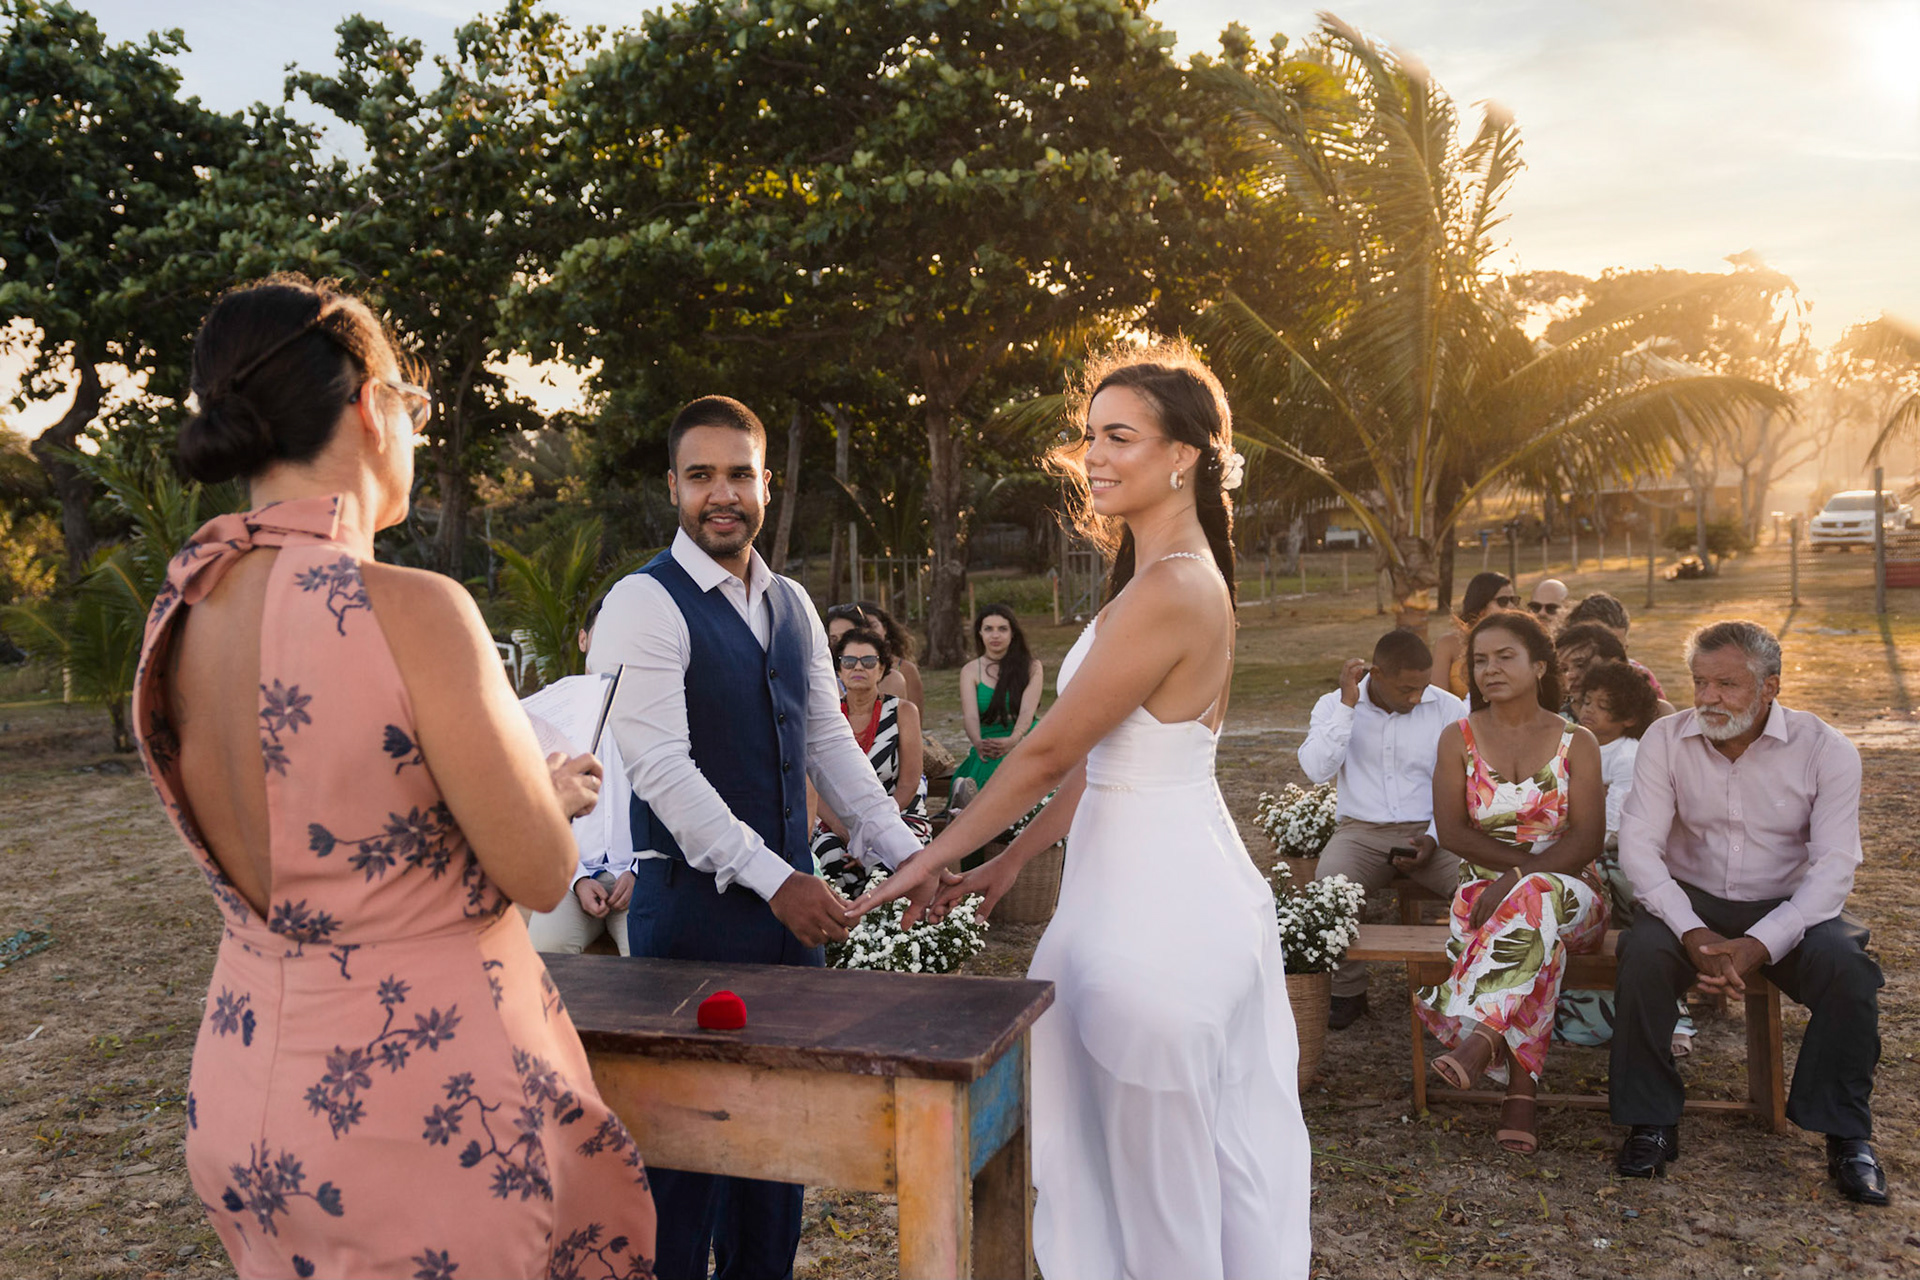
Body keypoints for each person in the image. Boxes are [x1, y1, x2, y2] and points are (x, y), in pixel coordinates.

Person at [131, 275, 655, 1278]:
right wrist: (548, 796)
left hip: (248, 1083)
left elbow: (318, 819)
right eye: (413, 402)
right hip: (416, 1109)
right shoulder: (413, 609)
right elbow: (542, 869)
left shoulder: (183, 609)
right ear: (373, 407)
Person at [854, 341, 1311, 1279]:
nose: (1092, 455)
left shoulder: (1174, 585)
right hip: (1131, 887)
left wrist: (928, 858)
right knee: (1123, 1161)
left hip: (1158, 913)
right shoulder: (1163, 575)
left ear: (1183, 455)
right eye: (1090, 435)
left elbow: (1049, 751)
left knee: (1156, 1176)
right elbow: (1109, 761)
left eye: (1119, 436)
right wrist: (1013, 860)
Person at [587, 395, 925, 1280]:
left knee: (778, 1168)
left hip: (789, 930)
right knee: (683, 1175)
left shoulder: (792, 603)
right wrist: (777, 879)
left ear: (766, 483)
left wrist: (908, 855)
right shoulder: (641, 604)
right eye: (701, 476)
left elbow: (826, 743)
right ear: (672, 487)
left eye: (739, 474)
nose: (722, 494)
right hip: (692, 926)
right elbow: (663, 770)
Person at [1610, 621, 1887, 1204]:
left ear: (1770, 687)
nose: (1708, 698)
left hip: (1788, 903)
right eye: (1699, 682)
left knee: (1848, 969)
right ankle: (1650, 1122)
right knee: (1642, 954)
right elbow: (1638, 847)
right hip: (1689, 899)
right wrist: (1690, 929)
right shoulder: (1666, 739)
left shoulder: (1826, 749)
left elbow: (1834, 867)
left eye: (1727, 684)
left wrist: (1762, 942)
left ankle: (1846, 1135)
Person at [1417, 610, 1608, 1156]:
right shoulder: (1457, 739)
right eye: (1479, 660)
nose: (1490, 669)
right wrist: (1513, 876)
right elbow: (1452, 831)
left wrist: (1523, 876)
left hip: (1573, 892)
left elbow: (1588, 838)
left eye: (1505, 657)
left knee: (1537, 899)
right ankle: (1520, 1092)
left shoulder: (1578, 741)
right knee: (1537, 933)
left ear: (1539, 665)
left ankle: (1484, 1039)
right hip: (1485, 898)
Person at [1298, 628, 1467, 1028]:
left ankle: (1468, 987)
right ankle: (1348, 993)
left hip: (1437, 829)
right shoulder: (1333, 705)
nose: (1416, 697)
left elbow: (1464, 782)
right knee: (1329, 891)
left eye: (1422, 687)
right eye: (1407, 688)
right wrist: (1347, 708)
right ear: (1377, 674)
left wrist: (1435, 837)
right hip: (1362, 832)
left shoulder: (1448, 708)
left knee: (1480, 887)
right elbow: (1316, 770)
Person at [1554, 660, 1695, 1052]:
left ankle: (1673, 1016)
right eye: (1586, 701)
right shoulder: (1568, 745)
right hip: (1575, 852)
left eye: (1602, 706)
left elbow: (1614, 826)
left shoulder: (1629, 755)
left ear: (1629, 717)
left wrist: (1575, 843)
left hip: (1618, 857)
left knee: (1642, 920)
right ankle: (1580, 1016)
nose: (1588, 710)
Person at [522, 597, 638, 955]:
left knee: (651, 957)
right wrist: (577, 879)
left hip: (637, 878)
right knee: (546, 947)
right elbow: (534, 808)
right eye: (605, 633)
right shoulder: (550, 712)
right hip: (572, 876)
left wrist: (638, 872)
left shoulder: (651, 714)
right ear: (584, 639)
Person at [810, 625, 933, 896]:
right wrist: (846, 831)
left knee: (885, 862)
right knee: (831, 858)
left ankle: (892, 922)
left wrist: (874, 832)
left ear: (882, 669)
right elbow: (815, 786)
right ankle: (844, 922)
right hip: (837, 821)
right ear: (838, 670)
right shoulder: (825, 717)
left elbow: (909, 782)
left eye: (868, 661)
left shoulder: (903, 711)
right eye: (848, 661)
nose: (858, 667)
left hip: (898, 814)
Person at [946, 604, 1044, 809]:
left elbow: (1028, 711)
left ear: (1012, 633)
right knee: (988, 766)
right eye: (988, 629)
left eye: (1002, 629)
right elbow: (971, 716)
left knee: (1014, 763)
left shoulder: (1032, 667)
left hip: (1024, 737)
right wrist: (978, 742)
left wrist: (1014, 739)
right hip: (988, 743)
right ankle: (972, 811)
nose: (995, 635)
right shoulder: (970, 670)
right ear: (980, 633)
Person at [1564, 590, 1673, 704]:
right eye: (1601, 651)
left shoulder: (1641, 681)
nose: (1612, 659)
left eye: (1619, 650)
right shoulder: (1558, 681)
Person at [1430, 572, 1522, 699]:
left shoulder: (1519, 643)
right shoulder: (1448, 644)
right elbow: (1438, 700)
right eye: (1503, 601)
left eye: (1514, 600)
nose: (1511, 607)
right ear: (1481, 605)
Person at [824, 601, 923, 712]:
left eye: (846, 636)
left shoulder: (893, 680)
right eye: (834, 638)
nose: (839, 643)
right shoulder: (824, 679)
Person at [1553, 621, 1629, 709]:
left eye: (1580, 665)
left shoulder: (1637, 709)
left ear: (1613, 663)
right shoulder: (1553, 713)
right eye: (1564, 669)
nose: (1570, 675)